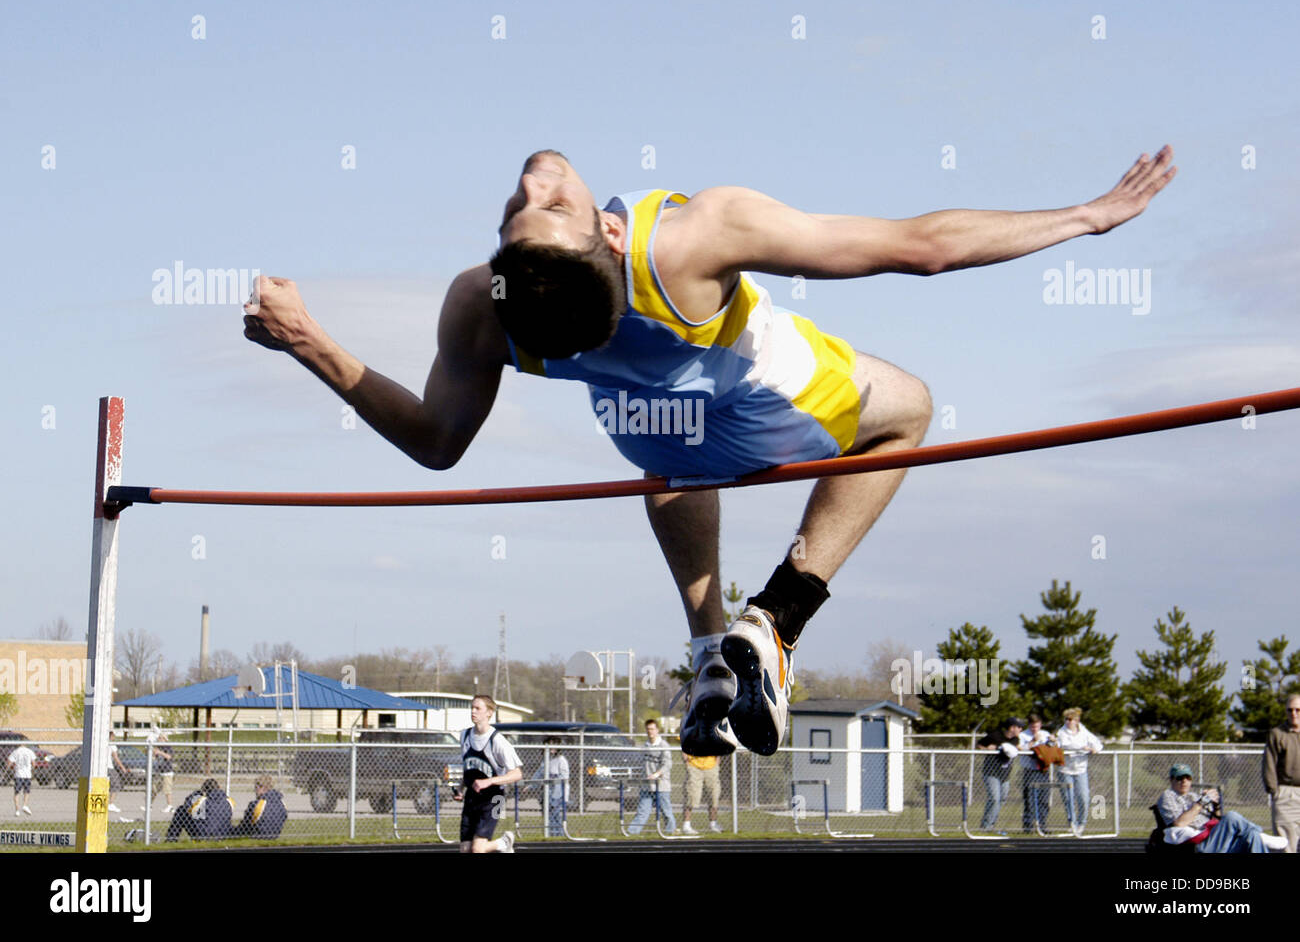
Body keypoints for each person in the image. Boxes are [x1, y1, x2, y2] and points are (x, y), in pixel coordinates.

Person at [244, 147, 1176, 760]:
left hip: (657, 438)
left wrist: (310, 341)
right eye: (545, 205)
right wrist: (1083, 218)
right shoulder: (697, 234)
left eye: (529, 203)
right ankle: (774, 621)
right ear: (609, 235)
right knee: (910, 410)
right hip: (770, 396)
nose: (538, 180)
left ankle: (708, 650)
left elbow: (437, 443)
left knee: (657, 439)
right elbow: (919, 248)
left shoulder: (483, 307)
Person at [1157, 764, 1287, 853]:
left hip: (1215, 838)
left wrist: (1216, 805)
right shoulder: (1168, 796)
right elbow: (1179, 823)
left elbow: (1216, 819)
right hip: (1200, 844)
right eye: (1179, 778)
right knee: (1232, 816)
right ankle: (1262, 834)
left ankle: (1257, 834)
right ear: (1171, 780)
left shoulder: (1194, 796)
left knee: (1252, 836)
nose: (1184, 781)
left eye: (1188, 778)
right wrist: (1201, 802)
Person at [454, 694, 522, 853]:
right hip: (472, 798)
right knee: (465, 849)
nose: (473, 711)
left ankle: (504, 843)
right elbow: (469, 769)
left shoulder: (497, 740)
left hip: (495, 798)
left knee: (478, 849)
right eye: (472, 707)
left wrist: (489, 781)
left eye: (478, 708)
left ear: (489, 712)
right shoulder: (464, 735)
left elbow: (517, 773)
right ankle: (502, 844)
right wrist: (460, 788)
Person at [1263, 693, 1300, 853]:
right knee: (1286, 845)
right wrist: (1274, 791)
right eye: (1290, 710)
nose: (1294, 714)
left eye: (1298, 710)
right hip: (1287, 794)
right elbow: (1269, 764)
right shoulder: (1277, 734)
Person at [1056, 707, 1103, 831]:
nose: (1069, 722)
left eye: (1071, 719)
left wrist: (1094, 749)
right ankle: (1072, 822)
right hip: (1065, 769)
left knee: (1083, 797)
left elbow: (1097, 744)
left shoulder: (1084, 732)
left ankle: (1082, 823)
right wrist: (1083, 747)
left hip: (1080, 769)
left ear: (1077, 720)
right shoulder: (1061, 732)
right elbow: (1065, 745)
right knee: (1068, 798)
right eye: (1067, 719)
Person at [975, 717, 1023, 833]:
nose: (1021, 729)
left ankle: (991, 824)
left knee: (1002, 799)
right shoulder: (995, 736)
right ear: (1012, 727)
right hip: (991, 772)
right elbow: (979, 745)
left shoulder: (1015, 739)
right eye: (1019, 727)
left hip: (1005, 774)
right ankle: (986, 826)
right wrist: (987, 749)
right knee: (994, 798)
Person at [628, 719, 675, 834]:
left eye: (652, 729)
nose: (650, 732)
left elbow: (667, 764)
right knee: (643, 811)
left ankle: (670, 832)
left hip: (661, 785)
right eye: (648, 729)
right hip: (647, 785)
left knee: (666, 810)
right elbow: (641, 764)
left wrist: (657, 774)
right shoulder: (645, 746)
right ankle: (632, 832)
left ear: (657, 730)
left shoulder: (663, 745)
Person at [164, 778, 235, 842]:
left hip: (203, 833)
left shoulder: (202, 800)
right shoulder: (228, 800)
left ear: (204, 790)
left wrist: (197, 793)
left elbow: (187, 806)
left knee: (181, 810)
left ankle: (171, 839)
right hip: (223, 832)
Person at [1019, 713, 1053, 833]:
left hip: (1043, 770)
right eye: (1033, 727)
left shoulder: (1045, 734)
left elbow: (1052, 748)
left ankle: (1042, 825)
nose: (1035, 729)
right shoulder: (1023, 735)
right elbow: (1021, 749)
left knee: (1043, 798)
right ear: (1029, 725)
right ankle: (1028, 826)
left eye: (1037, 726)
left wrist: (1052, 742)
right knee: (1030, 798)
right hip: (1030, 770)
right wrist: (1033, 741)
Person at [530, 736, 570, 837]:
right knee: (547, 815)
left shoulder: (561, 760)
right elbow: (539, 773)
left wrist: (563, 795)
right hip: (546, 793)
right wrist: (531, 785)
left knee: (554, 816)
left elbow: (564, 778)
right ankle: (550, 834)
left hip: (556, 794)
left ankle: (557, 835)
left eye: (554, 745)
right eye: (549, 744)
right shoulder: (546, 760)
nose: (551, 747)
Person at [232, 774, 288, 839]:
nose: (255, 791)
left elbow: (245, 825)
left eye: (256, 787)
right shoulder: (282, 804)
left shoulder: (257, 804)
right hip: (274, 836)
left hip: (256, 836)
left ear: (263, 787)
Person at [681, 751, 722, 834]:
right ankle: (686, 825)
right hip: (694, 766)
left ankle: (713, 824)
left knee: (714, 796)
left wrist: (717, 763)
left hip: (711, 767)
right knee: (691, 796)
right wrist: (686, 761)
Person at [145, 726, 174, 814]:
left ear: (165, 739)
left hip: (167, 772)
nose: (159, 739)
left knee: (167, 790)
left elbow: (169, 757)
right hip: (159, 772)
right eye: (159, 738)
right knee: (153, 789)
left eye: (161, 738)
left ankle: (170, 806)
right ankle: (149, 805)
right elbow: (154, 757)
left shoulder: (168, 748)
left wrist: (160, 753)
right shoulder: (158, 747)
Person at [8, 743, 35, 816]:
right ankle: (25, 805)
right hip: (27, 775)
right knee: (27, 791)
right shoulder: (29, 751)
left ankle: (17, 810)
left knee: (17, 792)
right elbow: (33, 763)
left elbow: (9, 762)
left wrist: (11, 767)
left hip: (18, 775)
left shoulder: (16, 752)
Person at [106, 734, 131, 815]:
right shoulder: (112, 745)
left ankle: (107, 802)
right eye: (113, 736)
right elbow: (116, 758)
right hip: (108, 767)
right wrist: (122, 768)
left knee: (106, 785)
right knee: (116, 784)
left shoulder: (102, 743)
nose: (114, 737)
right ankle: (110, 803)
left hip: (101, 767)